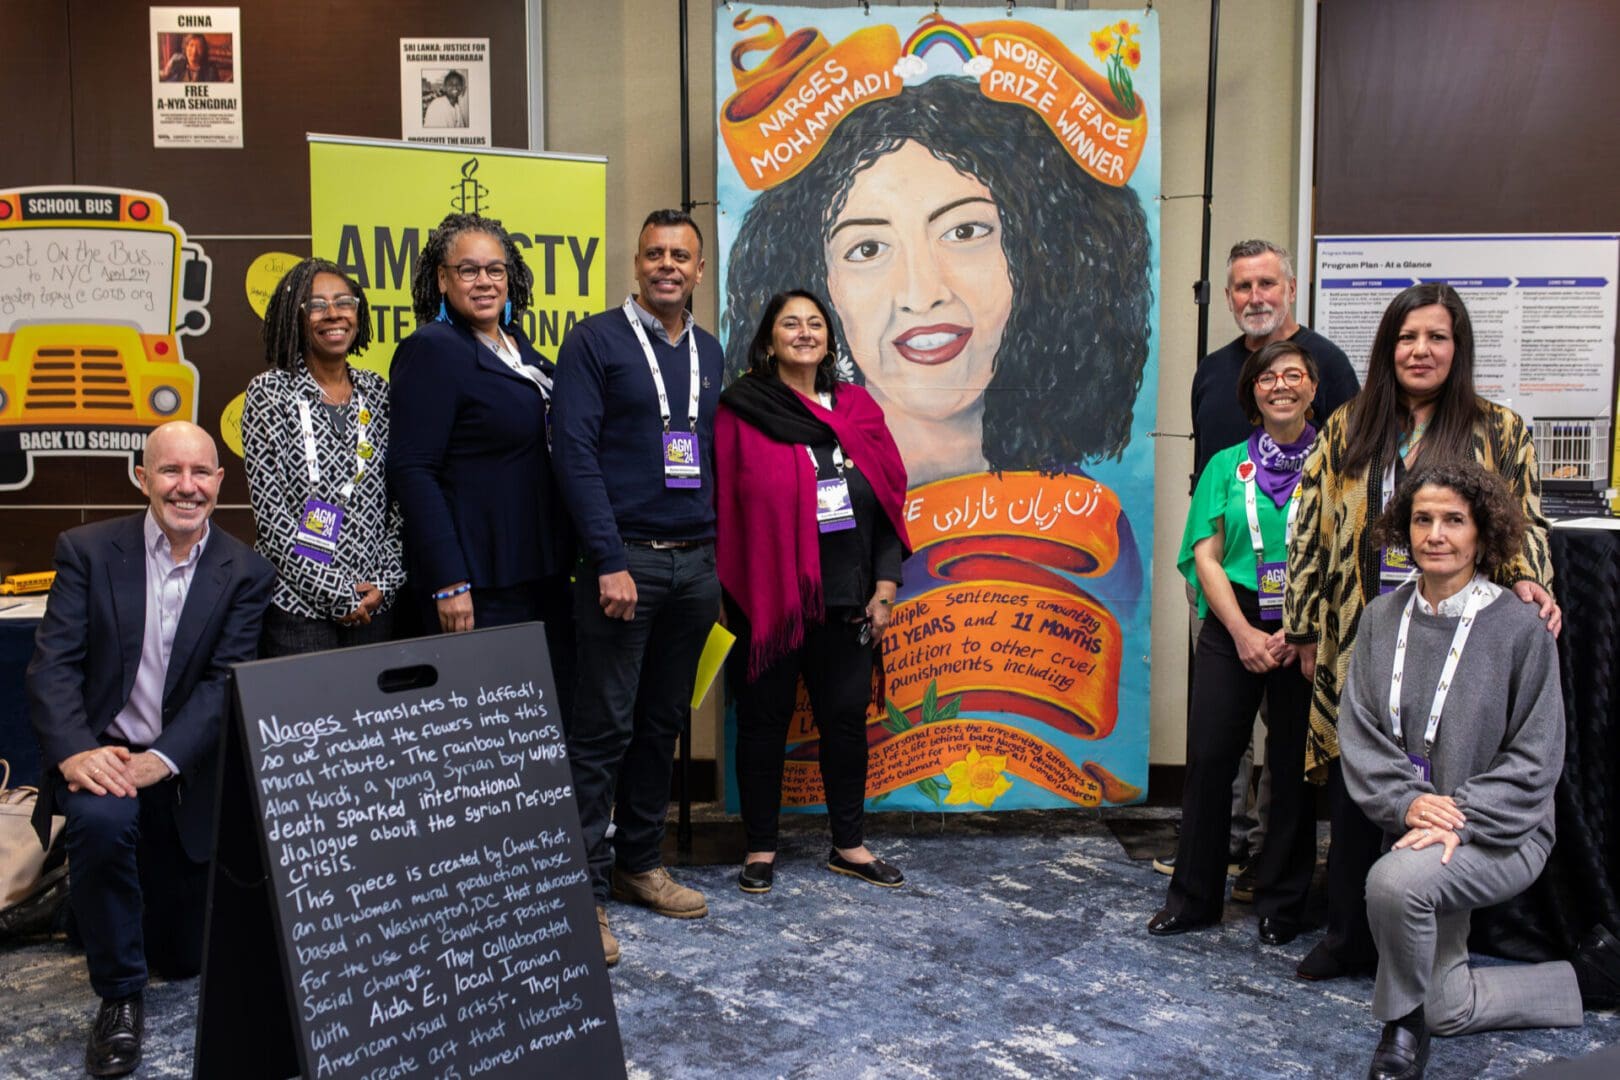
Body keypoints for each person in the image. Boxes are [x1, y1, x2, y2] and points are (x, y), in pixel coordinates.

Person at [1284, 282, 1559, 982]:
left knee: (1445, 780)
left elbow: (1523, 521)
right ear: (1389, 348)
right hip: (1363, 631)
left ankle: (1433, 941)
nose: (1421, 350)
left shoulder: (1499, 429)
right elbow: (1310, 531)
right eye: (1408, 338)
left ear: (1456, 348)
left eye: (1436, 337)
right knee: (1359, 780)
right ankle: (1350, 935)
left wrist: (1531, 579)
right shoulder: (1347, 426)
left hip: (1458, 637)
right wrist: (1307, 624)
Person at [721, 76, 1152, 486]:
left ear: (1036, 258)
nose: (922, 294)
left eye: (964, 232)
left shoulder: (1084, 526)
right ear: (822, 285)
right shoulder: (803, 478)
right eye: (867, 249)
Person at [1339, 461, 1619, 1080]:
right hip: (1414, 823)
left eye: (1453, 521)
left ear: (1482, 533)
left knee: (1393, 884)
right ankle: (1583, 980)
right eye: (1422, 519)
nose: (1436, 534)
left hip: (1502, 829)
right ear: (1403, 530)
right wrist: (1410, 804)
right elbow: (1359, 733)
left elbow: (1537, 758)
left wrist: (1459, 816)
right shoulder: (1381, 620)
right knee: (1450, 1004)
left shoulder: (1521, 627)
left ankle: (1400, 1029)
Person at [25, 421, 274, 1078]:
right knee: (102, 824)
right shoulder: (86, 550)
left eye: (200, 473)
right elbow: (53, 669)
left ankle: (82, 903)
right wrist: (78, 752)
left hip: (180, 773)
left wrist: (160, 760)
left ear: (220, 484)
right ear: (142, 477)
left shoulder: (246, 571)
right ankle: (119, 999)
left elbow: (225, 683)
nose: (185, 487)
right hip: (103, 763)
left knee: (186, 957)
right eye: (170, 471)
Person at [1160, 239, 1361, 890]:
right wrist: (1225, 608)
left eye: (1267, 284)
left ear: (1290, 289)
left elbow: (1352, 490)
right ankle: (1217, 862)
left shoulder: (1329, 364)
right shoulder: (1213, 372)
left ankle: (1275, 881)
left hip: (1306, 610)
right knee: (1219, 742)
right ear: (1228, 297)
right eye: (1242, 287)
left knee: (1290, 748)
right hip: (1228, 586)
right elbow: (1210, 479)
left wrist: (1313, 621)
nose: (1255, 297)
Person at [552, 209, 724, 965]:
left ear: (698, 269)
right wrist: (607, 557)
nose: (666, 266)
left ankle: (639, 865)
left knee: (662, 725)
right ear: (636, 262)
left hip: (695, 564)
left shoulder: (711, 351)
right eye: (654, 253)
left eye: (680, 256)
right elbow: (573, 453)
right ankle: (584, 897)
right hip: (626, 563)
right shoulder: (594, 341)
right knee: (601, 732)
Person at [716, 290, 911, 894]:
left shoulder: (857, 410)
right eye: (789, 324)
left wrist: (883, 590)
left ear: (830, 338)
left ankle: (848, 845)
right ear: (769, 339)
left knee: (846, 722)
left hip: (846, 600)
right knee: (763, 724)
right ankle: (761, 848)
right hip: (767, 603)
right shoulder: (741, 409)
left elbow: (883, 507)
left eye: (815, 324)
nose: (803, 333)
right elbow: (723, 506)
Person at [1147, 341, 1321, 944]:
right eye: (1267, 377)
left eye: (1292, 375)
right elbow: (1205, 554)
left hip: (1307, 630)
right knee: (1212, 761)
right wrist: (1244, 633)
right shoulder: (1226, 465)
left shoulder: (1336, 463)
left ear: (1312, 389)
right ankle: (1194, 897)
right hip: (1234, 621)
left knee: (1294, 765)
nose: (1280, 385)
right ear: (1252, 392)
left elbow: (1343, 554)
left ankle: (1282, 902)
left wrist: (1302, 632)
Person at [388, 212, 573, 654]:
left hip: (540, 569)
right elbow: (412, 469)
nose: (484, 281)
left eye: (495, 270)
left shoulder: (523, 350)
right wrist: (449, 581)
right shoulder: (432, 349)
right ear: (441, 280)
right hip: (478, 582)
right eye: (468, 270)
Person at [241, 257, 404, 655]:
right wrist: (334, 593)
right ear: (294, 315)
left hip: (373, 606)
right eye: (316, 305)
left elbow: (400, 498)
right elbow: (271, 516)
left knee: (372, 717)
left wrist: (385, 580)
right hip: (298, 610)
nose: (333, 314)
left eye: (343, 302)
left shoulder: (377, 392)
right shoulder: (269, 394)